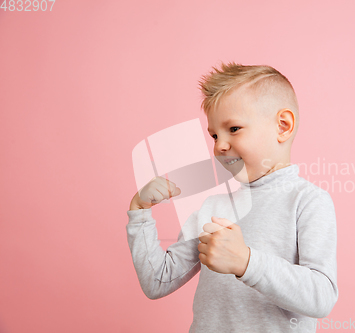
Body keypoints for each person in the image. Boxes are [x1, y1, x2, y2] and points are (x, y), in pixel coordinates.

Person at [126, 61, 338, 332]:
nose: (219, 146)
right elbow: (157, 281)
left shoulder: (308, 201)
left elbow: (322, 297)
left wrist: (246, 262)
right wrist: (140, 212)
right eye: (214, 135)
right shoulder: (213, 207)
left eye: (233, 129)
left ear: (283, 126)